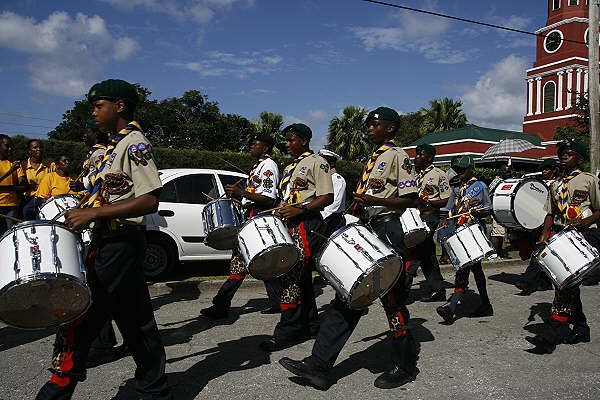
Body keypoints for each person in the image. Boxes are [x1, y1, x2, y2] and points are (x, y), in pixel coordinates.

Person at [36, 79, 171, 400]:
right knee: (136, 322)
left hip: (121, 243)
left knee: (80, 314)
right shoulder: (112, 147)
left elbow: (151, 199)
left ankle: (57, 389)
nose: (93, 113)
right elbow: (106, 194)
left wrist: (94, 215)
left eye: (98, 106)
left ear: (119, 107)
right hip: (109, 241)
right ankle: (155, 387)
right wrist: (81, 210)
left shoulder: (134, 144)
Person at [279, 107, 420, 390]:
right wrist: (360, 203)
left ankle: (403, 365)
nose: (369, 128)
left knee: (392, 301)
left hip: (388, 229)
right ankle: (318, 366)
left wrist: (368, 199)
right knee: (348, 294)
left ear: (390, 128)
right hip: (371, 227)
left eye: (375, 124)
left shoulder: (398, 155)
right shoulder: (377, 156)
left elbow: (411, 198)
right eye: (369, 124)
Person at [260, 123, 333, 352]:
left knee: (289, 274)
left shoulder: (316, 162)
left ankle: (288, 330)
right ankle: (310, 324)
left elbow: (327, 196)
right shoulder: (292, 166)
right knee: (300, 277)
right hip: (291, 222)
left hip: (307, 223)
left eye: (291, 140)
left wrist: (300, 210)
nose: (287, 144)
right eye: (286, 140)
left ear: (304, 140)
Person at [525, 140, 600, 354]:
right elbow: (550, 213)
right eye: (562, 153)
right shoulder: (556, 184)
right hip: (562, 235)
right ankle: (581, 328)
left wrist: (587, 221)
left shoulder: (588, 180)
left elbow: (599, 208)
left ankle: (551, 334)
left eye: (569, 153)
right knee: (568, 284)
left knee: (565, 284)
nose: (564, 156)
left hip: (584, 235)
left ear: (580, 158)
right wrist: (543, 234)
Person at [201, 133, 282, 319]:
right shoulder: (259, 166)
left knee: (243, 262)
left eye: (255, 143)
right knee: (257, 260)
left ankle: (221, 305)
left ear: (266, 147)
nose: (251, 146)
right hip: (251, 214)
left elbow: (269, 198)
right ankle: (276, 301)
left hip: (258, 216)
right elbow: (255, 194)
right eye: (251, 143)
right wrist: (238, 195)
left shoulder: (268, 166)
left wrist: (241, 192)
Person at [436, 155, 494, 324]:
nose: (459, 172)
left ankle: (452, 307)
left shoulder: (480, 186)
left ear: (471, 169)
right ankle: (483, 304)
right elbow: (451, 208)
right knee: (472, 269)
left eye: (462, 170)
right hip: (459, 231)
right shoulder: (458, 188)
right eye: (458, 169)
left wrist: (478, 212)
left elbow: (489, 209)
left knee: (466, 268)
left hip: (473, 232)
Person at [405, 144, 449, 302]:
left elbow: (444, 199)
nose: (416, 157)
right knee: (427, 253)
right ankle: (438, 288)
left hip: (429, 218)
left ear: (429, 157)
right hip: (415, 217)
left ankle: (402, 290)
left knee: (414, 251)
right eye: (416, 154)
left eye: (420, 155)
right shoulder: (414, 175)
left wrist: (428, 202)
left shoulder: (439, 174)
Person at [514, 159, 559, 295]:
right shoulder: (540, 183)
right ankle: (545, 283)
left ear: (553, 170)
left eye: (547, 169)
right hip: (539, 222)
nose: (544, 172)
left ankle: (528, 281)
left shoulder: (557, 184)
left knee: (540, 251)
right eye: (543, 169)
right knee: (540, 250)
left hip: (552, 223)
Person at [19, 139, 55, 220]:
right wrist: (30, 186)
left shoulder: (50, 165)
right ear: (29, 151)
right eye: (35, 147)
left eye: (40, 147)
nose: (38, 149)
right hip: (27, 199)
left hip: (45, 200)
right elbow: (21, 183)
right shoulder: (23, 166)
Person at [439, 155, 462, 264]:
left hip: (449, 208)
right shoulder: (453, 176)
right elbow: (456, 192)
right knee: (446, 233)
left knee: (448, 233)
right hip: (447, 209)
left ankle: (447, 256)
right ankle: (445, 256)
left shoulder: (451, 174)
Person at [0, 134, 24, 236]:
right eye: (7, 146)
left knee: (8, 235)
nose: (10, 149)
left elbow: (22, 185)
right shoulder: (13, 167)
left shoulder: (14, 164)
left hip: (11, 205)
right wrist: (10, 171)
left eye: (11, 146)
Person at [488, 163, 514, 258]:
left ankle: (500, 252)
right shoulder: (497, 181)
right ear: (501, 172)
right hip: (497, 209)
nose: (508, 173)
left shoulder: (511, 180)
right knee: (497, 232)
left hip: (508, 210)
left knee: (502, 233)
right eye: (506, 172)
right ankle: (493, 253)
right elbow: (488, 193)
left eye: (509, 171)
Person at [318, 148, 346, 233]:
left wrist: (318, 220)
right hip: (322, 220)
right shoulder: (324, 179)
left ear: (332, 163)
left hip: (332, 222)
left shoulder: (337, 179)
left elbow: (334, 205)